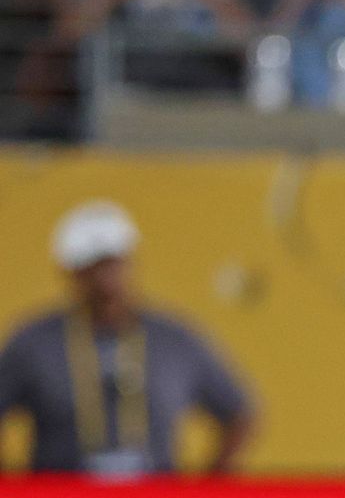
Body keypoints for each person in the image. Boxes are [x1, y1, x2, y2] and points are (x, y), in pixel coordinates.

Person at [0, 200, 254, 475]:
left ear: (130, 262)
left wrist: (206, 493)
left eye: (112, 263)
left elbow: (240, 413)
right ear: (71, 272)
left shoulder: (173, 339)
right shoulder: (35, 342)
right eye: (91, 267)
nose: (104, 278)